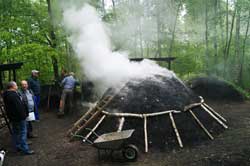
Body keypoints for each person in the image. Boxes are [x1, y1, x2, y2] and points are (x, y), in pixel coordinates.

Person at [2, 81, 34, 155]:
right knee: (23, 132)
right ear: (12, 86)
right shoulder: (13, 95)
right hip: (19, 117)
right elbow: (19, 107)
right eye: (16, 85)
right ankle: (25, 149)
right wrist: (24, 115)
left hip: (13, 117)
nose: (17, 86)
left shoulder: (6, 94)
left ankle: (17, 146)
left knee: (16, 132)